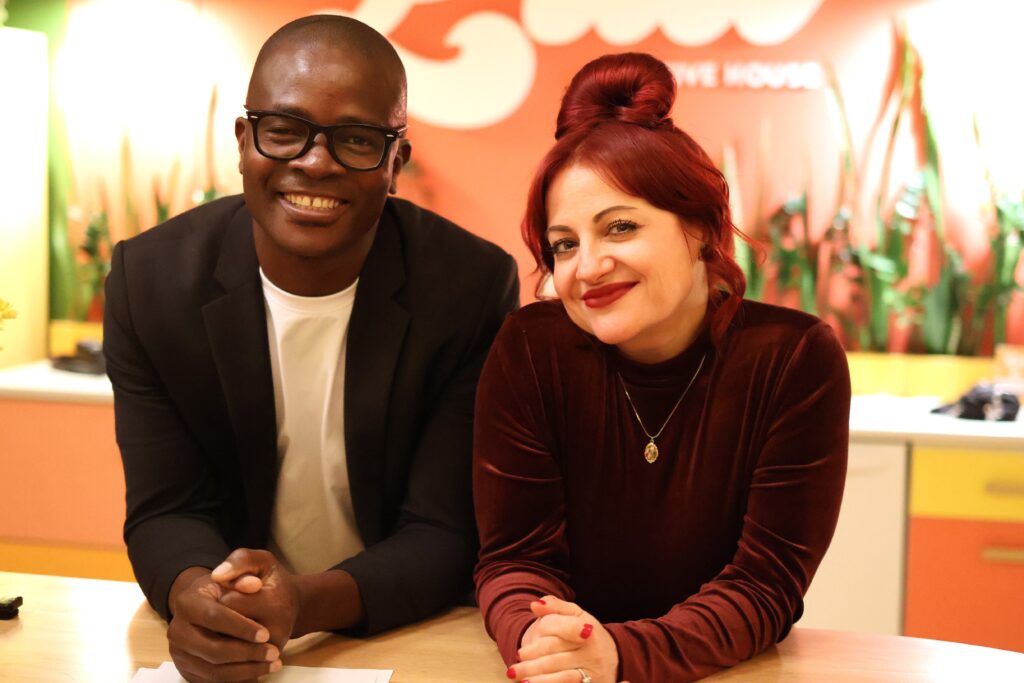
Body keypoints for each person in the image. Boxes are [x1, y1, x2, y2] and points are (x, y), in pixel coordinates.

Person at [103, 15, 518, 683]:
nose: (315, 162)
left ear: (395, 162)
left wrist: (299, 602)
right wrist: (201, 601)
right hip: (229, 636)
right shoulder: (151, 284)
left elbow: (444, 530)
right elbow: (166, 508)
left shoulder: (468, 290)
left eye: (356, 139)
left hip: (403, 628)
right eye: (284, 129)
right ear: (244, 142)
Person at [473, 52, 850, 683]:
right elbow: (513, 559)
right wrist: (542, 639)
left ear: (700, 227)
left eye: (620, 228)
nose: (587, 267)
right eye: (564, 244)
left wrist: (620, 656)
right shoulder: (531, 348)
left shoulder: (794, 358)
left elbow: (766, 583)